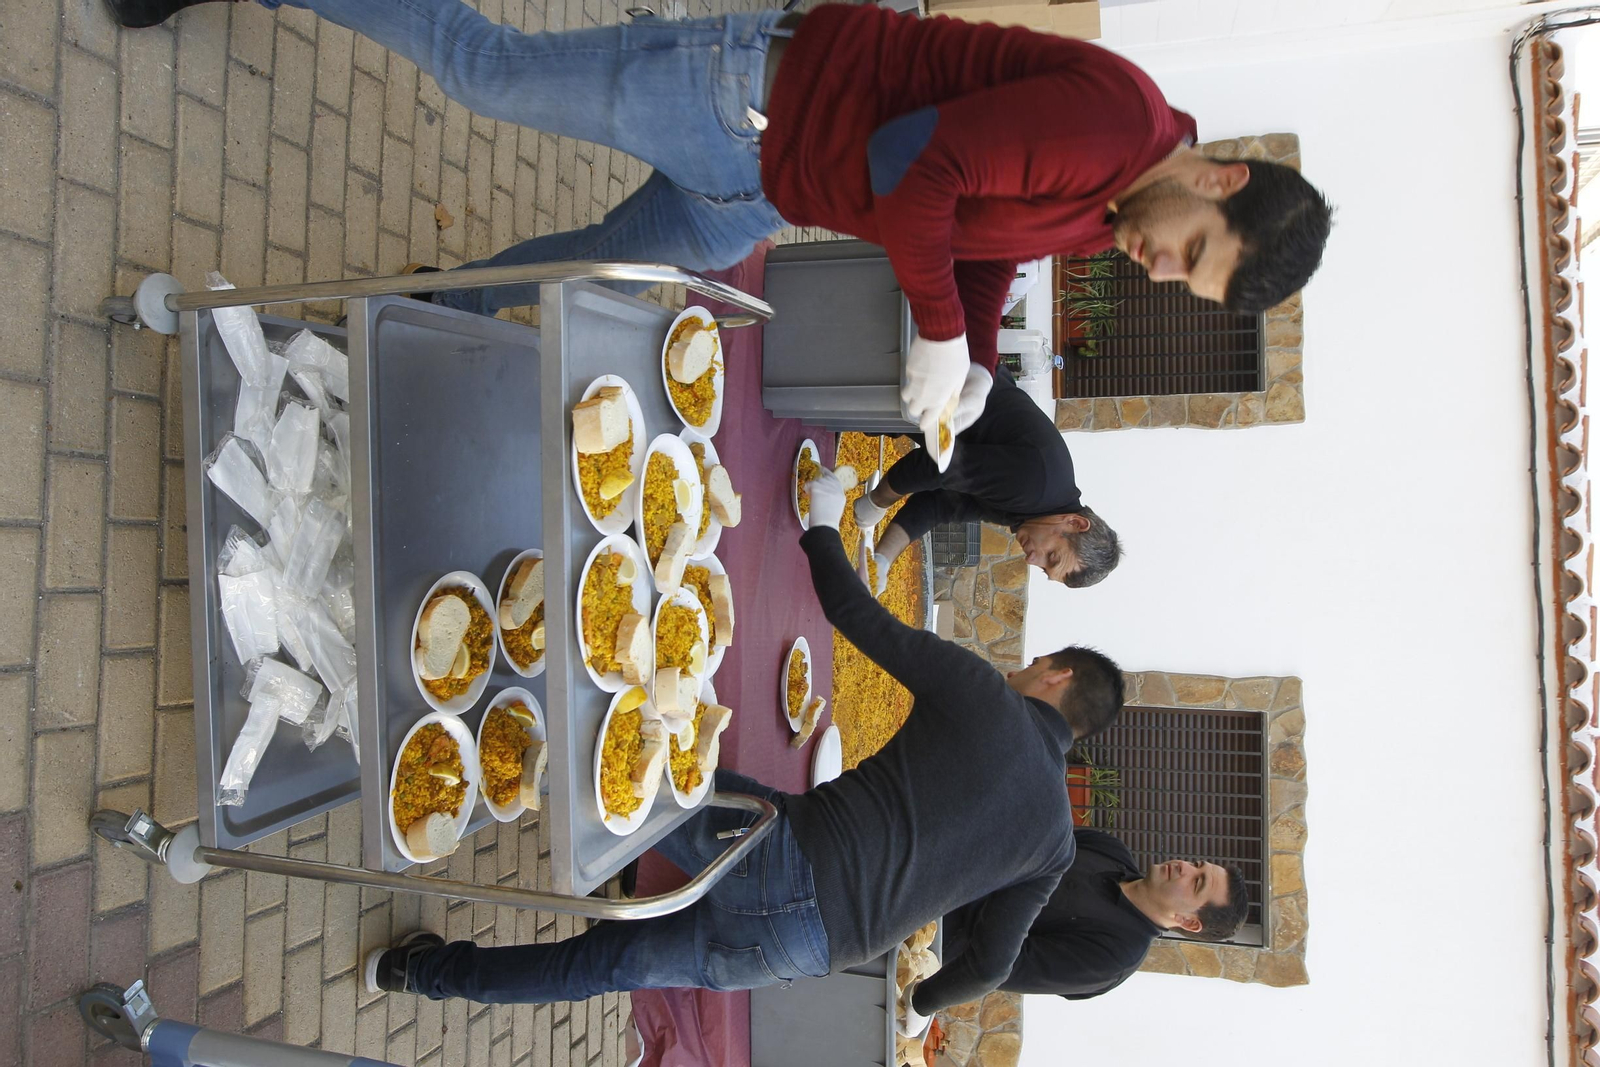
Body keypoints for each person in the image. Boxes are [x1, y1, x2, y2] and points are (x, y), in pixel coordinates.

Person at [106, 0, 1333, 449]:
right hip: (742, 98)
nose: (1159, 269)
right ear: (1217, 180)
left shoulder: (1112, 205)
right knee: (485, 69)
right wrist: (935, 331)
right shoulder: (1115, 124)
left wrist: (967, 352)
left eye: (1184, 287)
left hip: (768, 189)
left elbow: (986, 229)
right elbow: (924, 172)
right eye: (1191, 255)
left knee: (602, 268)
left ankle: (430, 308)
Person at [359, 468, 1124, 1031]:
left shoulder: (989, 695)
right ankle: (415, 971)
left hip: (785, 851)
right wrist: (921, 1005)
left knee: (626, 759)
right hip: (804, 947)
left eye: (1036, 664)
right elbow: (990, 964)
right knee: (608, 964)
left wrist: (824, 522)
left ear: (1056, 674)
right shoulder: (1056, 846)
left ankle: (443, 736)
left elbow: (856, 614)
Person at [855, 365, 1118, 590]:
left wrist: (883, 560)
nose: (1031, 560)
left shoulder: (1032, 512)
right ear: (1074, 523)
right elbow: (937, 465)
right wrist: (878, 501)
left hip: (919, 399)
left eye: (1043, 568)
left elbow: (939, 506)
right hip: (924, 367)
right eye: (1052, 556)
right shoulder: (1034, 487)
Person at [941, 828, 1248, 1000]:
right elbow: (1022, 836)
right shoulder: (1110, 849)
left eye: (1196, 882)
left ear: (1188, 921)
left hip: (927, 931)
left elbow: (994, 966)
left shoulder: (1113, 959)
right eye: (1197, 864)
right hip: (937, 857)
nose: (1185, 866)